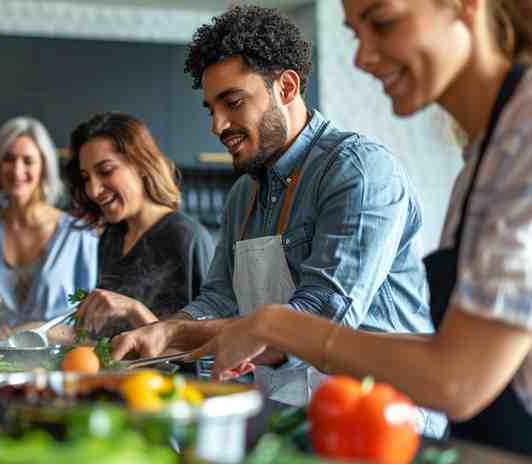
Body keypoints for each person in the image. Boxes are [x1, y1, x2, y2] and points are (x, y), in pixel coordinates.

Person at [189, 0, 532, 455]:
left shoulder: (521, 140)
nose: (362, 57)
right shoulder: (484, 152)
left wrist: (272, 325)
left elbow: (457, 380)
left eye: (383, 22)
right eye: (355, 33)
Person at [111, 5, 435, 413]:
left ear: (286, 87)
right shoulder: (243, 195)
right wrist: (165, 330)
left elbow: (322, 318)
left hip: (381, 415)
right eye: (212, 109)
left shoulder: (359, 170)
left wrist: (178, 335)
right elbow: (219, 298)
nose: (218, 125)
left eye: (233, 102)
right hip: (289, 412)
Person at [64, 112, 215, 339]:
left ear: (141, 164)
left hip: (168, 376)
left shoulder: (185, 237)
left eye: (106, 171)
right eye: (86, 178)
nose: (93, 190)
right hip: (117, 374)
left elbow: (209, 346)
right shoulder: (112, 237)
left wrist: (133, 310)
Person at [0, 116, 99, 333]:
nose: (17, 170)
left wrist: (43, 333)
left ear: (44, 167)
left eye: (28, 161)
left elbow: (91, 324)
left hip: (63, 363)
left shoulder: (79, 234)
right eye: (8, 159)